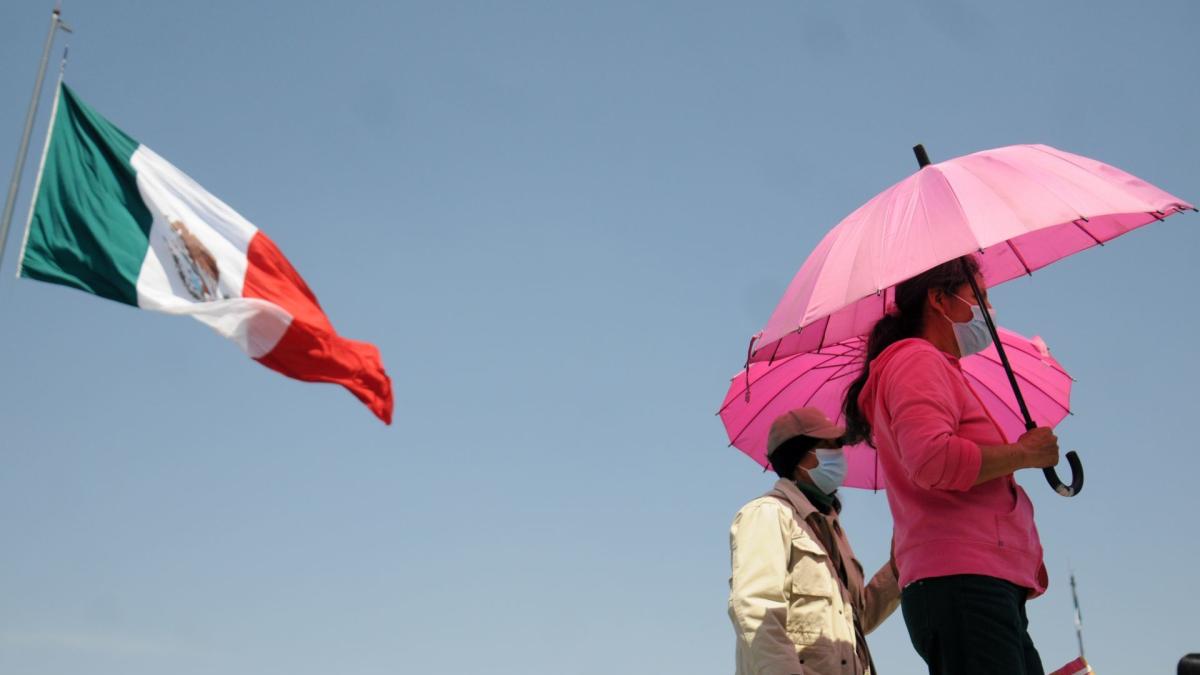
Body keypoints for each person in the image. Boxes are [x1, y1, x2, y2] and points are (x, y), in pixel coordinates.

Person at [841, 255, 1061, 675]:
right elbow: (932, 459)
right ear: (940, 300)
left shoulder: (931, 365)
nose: (988, 310)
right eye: (980, 295)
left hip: (977, 582)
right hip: (966, 583)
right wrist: (1025, 454)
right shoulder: (916, 361)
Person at [729, 407, 900, 675]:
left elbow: (856, 620)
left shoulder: (829, 529)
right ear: (801, 458)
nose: (839, 456)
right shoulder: (769, 514)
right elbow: (756, 610)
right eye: (828, 446)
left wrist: (899, 563)